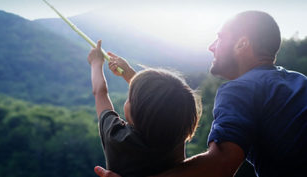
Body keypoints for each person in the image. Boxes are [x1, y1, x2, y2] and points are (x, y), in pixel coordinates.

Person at [94, 10, 307, 177]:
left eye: (220, 38)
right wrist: (133, 76)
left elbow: (220, 165)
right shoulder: (298, 81)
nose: (211, 47)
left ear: (242, 44)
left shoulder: (240, 89)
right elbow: (171, 108)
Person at [88, 41, 201, 177]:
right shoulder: (176, 133)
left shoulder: (117, 137)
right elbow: (157, 103)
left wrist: (96, 63)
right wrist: (129, 73)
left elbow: (100, 92)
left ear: (137, 111)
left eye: (130, 98)